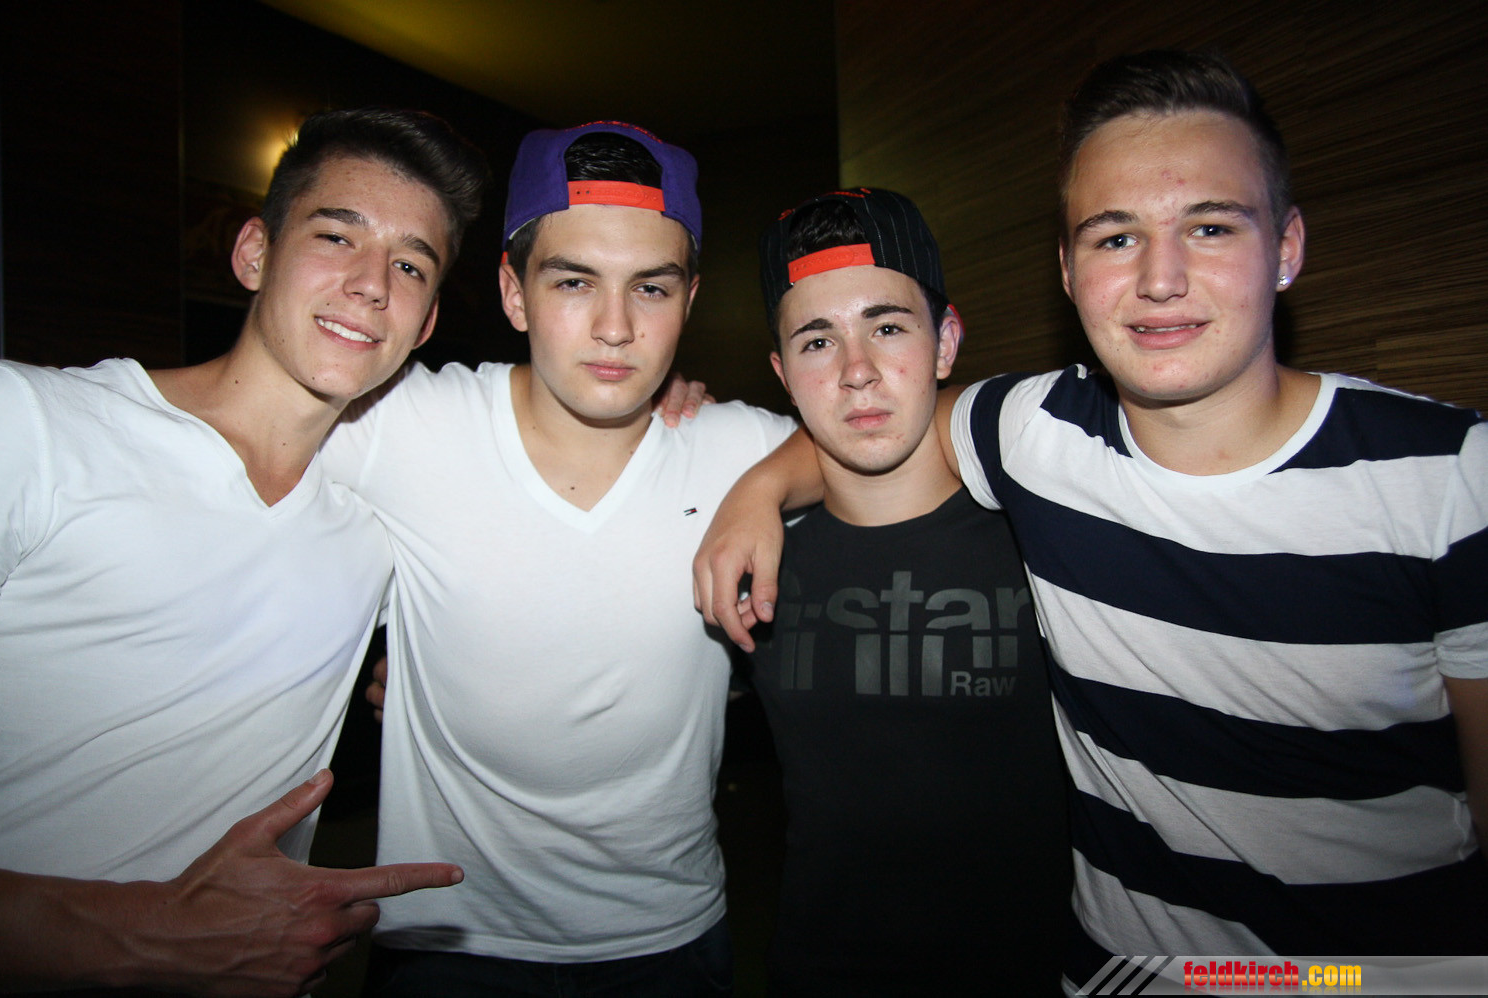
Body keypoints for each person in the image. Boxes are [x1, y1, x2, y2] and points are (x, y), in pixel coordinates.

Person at [694, 50, 1488, 993]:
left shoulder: (1452, 476)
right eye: (1116, 238)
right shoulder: (1037, 437)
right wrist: (757, 491)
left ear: (1286, 247)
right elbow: (866, 420)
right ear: (1069, 271)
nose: (1161, 277)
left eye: (1209, 226)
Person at [0, 107, 487, 996]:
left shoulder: (383, 524)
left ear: (425, 323)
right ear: (254, 253)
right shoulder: (27, 426)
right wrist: (143, 936)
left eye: (411, 265)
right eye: (337, 236)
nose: (372, 285)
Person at [321, 121, 795, 997]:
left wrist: (770, 483)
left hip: (670, 940)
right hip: (446, 942)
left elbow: (911, 442)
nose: (616, 328)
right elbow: (228, 436)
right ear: (514, 292)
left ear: (689, 300)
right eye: (574, 281)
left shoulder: (740, 448)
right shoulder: (403, 425)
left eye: (650, 288)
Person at [748, 187, 1068, 995]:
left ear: (945, 342)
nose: (857, 371)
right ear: (784, 374)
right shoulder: (756, 560)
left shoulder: (1046, 536)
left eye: (888, 327)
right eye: (818, 341)